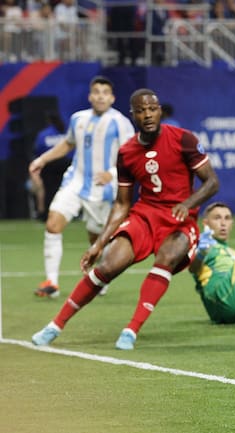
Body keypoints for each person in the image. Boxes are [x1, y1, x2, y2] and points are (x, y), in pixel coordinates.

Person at [31, 88, 219, 350]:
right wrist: (98, 244)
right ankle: (55, 326)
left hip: (179, 219)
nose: (148, 115)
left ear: (160, 111)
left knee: (166, 258)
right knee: (108, 266)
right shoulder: (127, 152)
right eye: (141, 111)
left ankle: (131, 330)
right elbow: (121, 204)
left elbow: (211, 182)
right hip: (145, 216)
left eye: (152, 109)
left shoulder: (183, 139)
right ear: (133, 116)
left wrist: (188, 204)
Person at [29, 76, 134, 299]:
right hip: (74, 182)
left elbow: (131, 154)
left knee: (96, 238)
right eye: (96, 92)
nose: (100, 96)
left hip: (102, 190)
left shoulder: (121, 122)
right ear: (90, 96)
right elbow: (67, 144)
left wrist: (112, 173)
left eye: (105, 92)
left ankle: (100, 278)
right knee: (52, 224)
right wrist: (42, 160)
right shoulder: (78, 119)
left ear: (112, 97)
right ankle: (52, 282)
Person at [29, 111, 70, 220]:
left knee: (48, 190)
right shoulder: (64, 132)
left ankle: (47, 213)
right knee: (64, 189)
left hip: (49, 165)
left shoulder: (44, 134)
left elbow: (38, 150)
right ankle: (66, 214)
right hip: (65, 163)